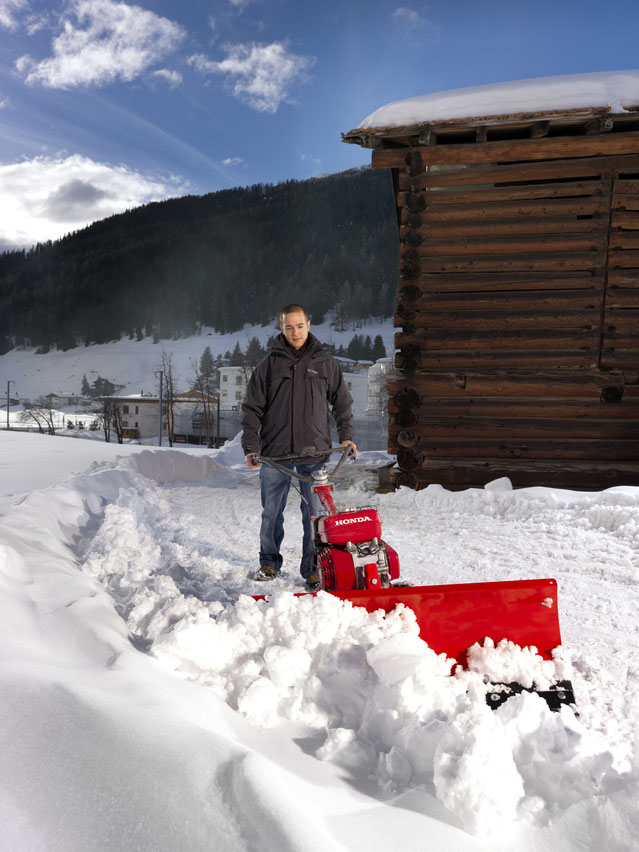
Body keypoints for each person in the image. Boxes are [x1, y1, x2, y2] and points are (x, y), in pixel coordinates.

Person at [241, 303, 357, 590]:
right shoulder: (268, 365)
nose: (295, 332)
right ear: (281, 328)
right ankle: (269, 563)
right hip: (275, 453)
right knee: (271, 512)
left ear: (309, 324)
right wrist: (250, 446)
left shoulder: (326, 364)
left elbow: (342, 404)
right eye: (289, 327)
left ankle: (313, 568)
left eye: (300, 325)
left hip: (314, 452)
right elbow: (251, 409)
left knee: (314, 515)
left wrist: (346, 436)